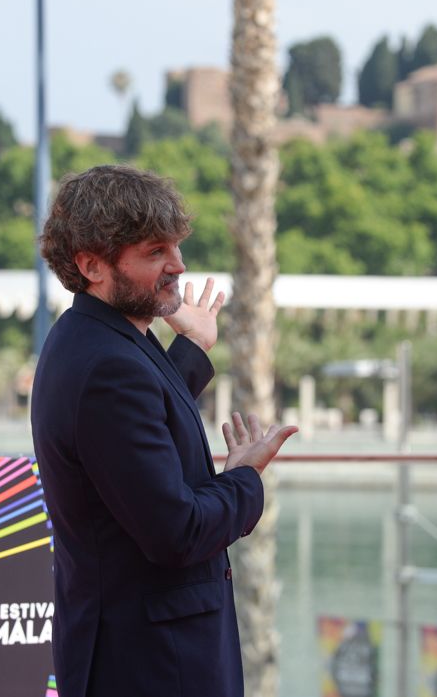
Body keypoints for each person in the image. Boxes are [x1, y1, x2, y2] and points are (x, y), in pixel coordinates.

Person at [31, 164, 296, 697]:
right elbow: (176, 533)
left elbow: (134, 423)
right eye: (155, 252)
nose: (178, 266)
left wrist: (192, 352)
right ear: (92, 266)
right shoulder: (109, 366)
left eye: (175, 248)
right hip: (154, 663)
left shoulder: (92, 337)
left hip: (137, 649)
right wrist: (244, 481)